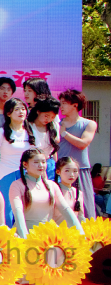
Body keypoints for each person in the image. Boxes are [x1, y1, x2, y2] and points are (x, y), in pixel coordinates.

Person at [9, 149, 82, 238]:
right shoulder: (17, 185)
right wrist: (25, 237)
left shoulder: (52, 185)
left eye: (43, 162)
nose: (41, 165)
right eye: (36, 162)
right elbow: (18, 212)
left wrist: (81, 234)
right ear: (25, 164)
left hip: (48, 234)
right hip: (27, 233)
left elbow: (66, 209)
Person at [0, 98, 31, 226]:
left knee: (26, 207)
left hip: (26, 175)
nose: (21, 112)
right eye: (17, 109)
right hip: (6, 175)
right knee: (6, 209)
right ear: (8, 113)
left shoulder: (30, 132)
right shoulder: (0, 132)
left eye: (23, 109)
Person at [59, 89, 98, 218]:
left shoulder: (89, 124)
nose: (61, 106)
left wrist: (64, 133)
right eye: (60, 103)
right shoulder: (57, 124)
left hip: (80, 170)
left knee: (84, 207)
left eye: (64, 103)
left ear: (75, 105)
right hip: (60, 171)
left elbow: (83, 143)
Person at [27, 98, 61, 179]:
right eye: (46, 116)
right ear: (38, 111)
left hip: (49, 164)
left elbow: (54, 150)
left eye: (52, 117)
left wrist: (56, 164)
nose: (49, 119)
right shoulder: (28, 126)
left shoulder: (54, 126)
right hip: (32, 164)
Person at [54, 156, 82, 225]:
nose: (72, 175)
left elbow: (81, 216)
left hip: (73, 230)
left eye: (75, 171)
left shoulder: (78, 193)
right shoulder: (53, 190)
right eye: (67, 171)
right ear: (58, 171)